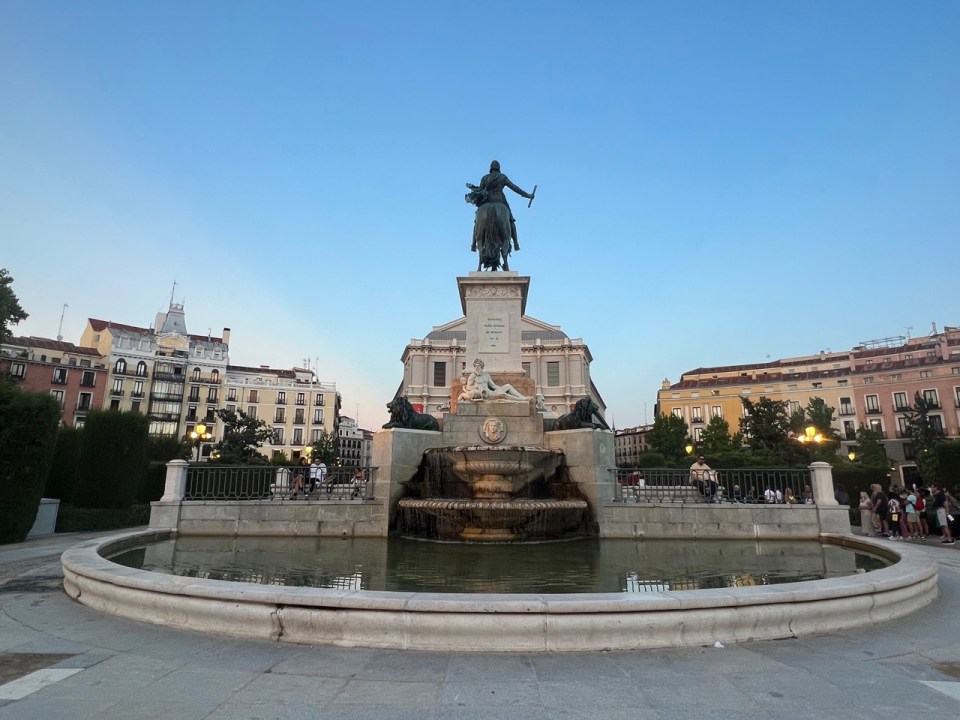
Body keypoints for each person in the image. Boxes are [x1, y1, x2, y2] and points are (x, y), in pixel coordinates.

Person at [459, 359, 529, 403]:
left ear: (482, 367)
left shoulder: (486, 375)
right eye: (475, 367)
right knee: (503, 394)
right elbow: (468, 388)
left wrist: (500, 389)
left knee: (508, 386)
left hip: (490, 393)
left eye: (478, 366)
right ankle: (521, 400)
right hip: (483, 394)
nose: (477, 368)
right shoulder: (472, 376)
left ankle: (522, 397)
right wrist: (475, 386)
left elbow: (493, 386)